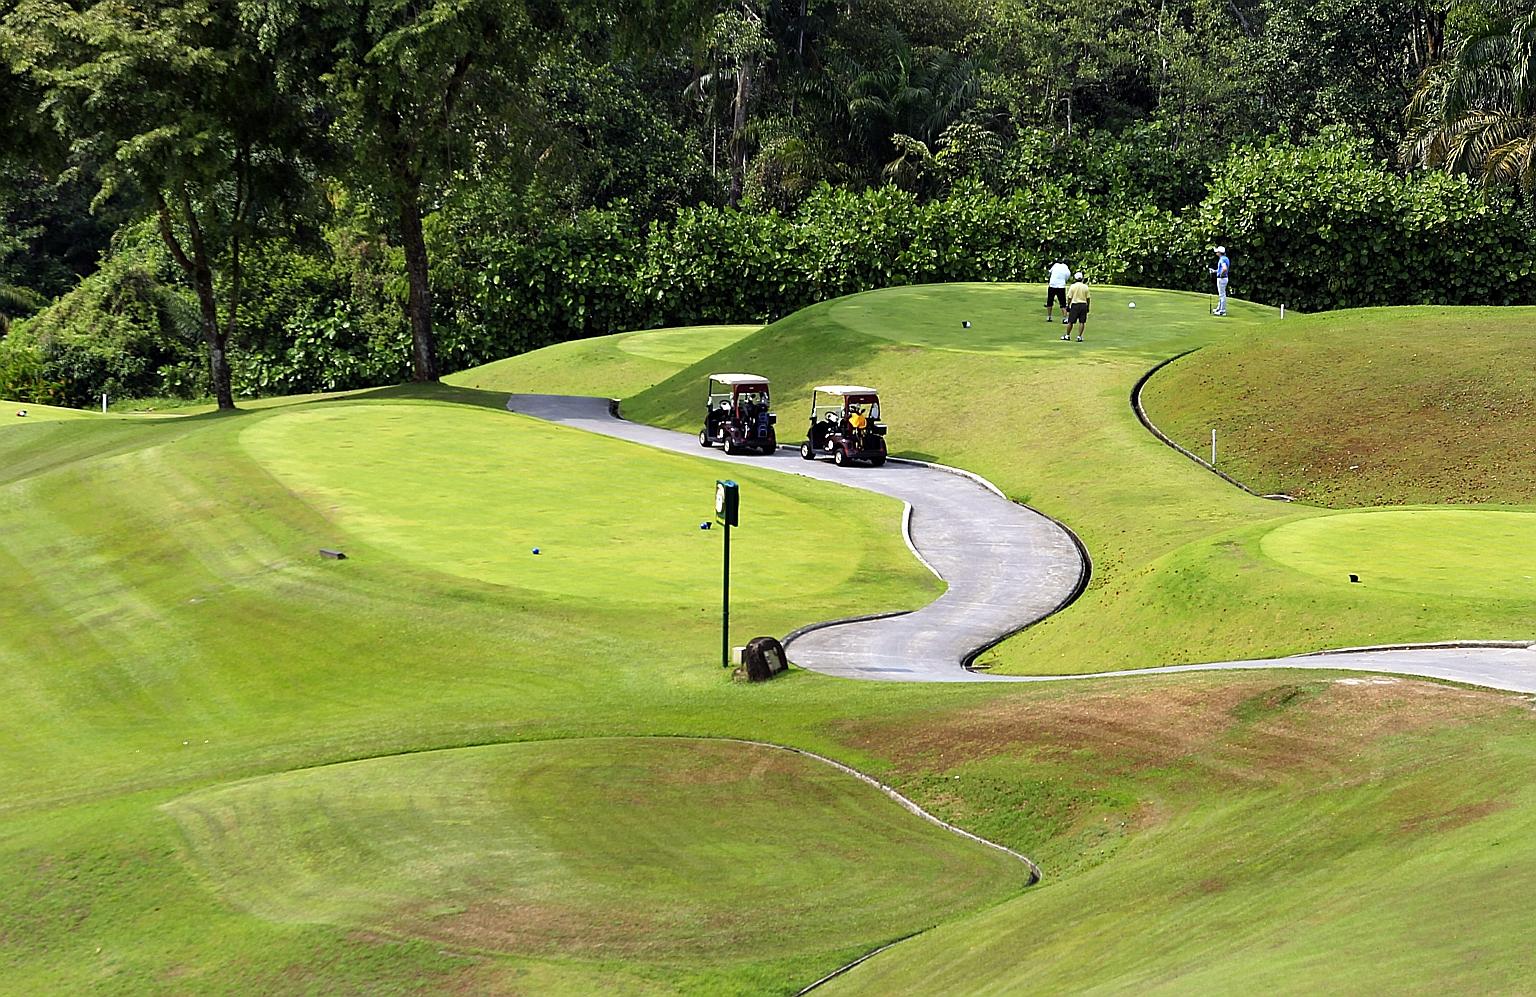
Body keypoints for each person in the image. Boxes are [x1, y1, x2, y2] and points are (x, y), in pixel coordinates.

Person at [1060, 271, 1091, 342]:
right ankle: (1079, 336)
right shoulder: (1085, 287)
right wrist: (1088, 307)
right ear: (1082, 278)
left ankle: (1067, 335)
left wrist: (1068, 305)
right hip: (1083, 305)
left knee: (1070, 321)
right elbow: (1088, 298)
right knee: (1082, 322)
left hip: (1075, 305)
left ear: (1075, 279)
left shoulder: (1073, 286)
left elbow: (1069, 297)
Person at [1209, 246, 1231, 316]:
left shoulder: (1222, 259)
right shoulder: (1225, 258)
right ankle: (1219, 308)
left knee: (1222, 295)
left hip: (1222, 279)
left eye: (1217, 252)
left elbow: (1224, 268)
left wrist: (1221, 275)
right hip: (1224, 278)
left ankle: (1222, 311)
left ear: (1219, 253)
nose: (1216, 253)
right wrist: (1214, 271)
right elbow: (1221, 269)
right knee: (1221, 294)